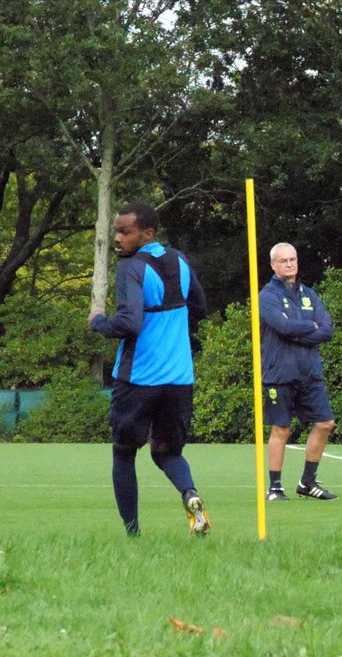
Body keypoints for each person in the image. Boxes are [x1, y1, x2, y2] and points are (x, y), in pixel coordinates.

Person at [89, 201, 210, 536]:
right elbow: (200, 308)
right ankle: (190, 494)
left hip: (139, 378)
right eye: (116, 230)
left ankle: (132, 534)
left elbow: (130, 322)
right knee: (166, 452)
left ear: (147, 233)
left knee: (124, 453)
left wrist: (99, 323)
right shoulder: (180, 260)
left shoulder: (131, 268)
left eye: (125, 232)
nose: (118, 238)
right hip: (180, 378)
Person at [259, 242, 338, 501]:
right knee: (281, 429)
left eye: (292, 259)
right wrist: (309, 327)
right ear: (273, 264)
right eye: (283, 260)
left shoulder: (309, 294)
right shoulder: (268, 295)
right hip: (279, 373)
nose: (289, 264)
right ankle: (275, 487)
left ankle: (307, 483)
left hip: (309, 372)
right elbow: (282, 327)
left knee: (325, 423)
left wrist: (301, 329)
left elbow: (326, 330)